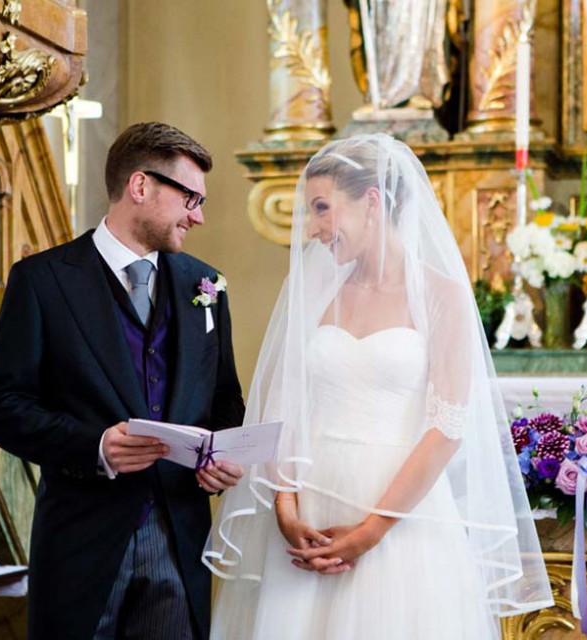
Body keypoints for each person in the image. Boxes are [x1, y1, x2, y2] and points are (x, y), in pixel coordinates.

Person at [203, 134, 552, 639]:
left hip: (398, 518)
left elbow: (446, 428)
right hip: (310, 515)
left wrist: (370, 532)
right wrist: (285, 508)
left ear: (371, 201)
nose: (316, 228)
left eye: (323, 209)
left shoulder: (442, 295)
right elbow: (285, 409)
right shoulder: (316, 291)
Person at [0, 122, 246, 640]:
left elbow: (223, 398)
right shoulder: (43, 280)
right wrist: (95, 445)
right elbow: (2, 406)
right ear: (140, 187)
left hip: (180, 541)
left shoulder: (205, 285)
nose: (199, 216)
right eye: (190, 197)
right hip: (83, 543)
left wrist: (221, 458)